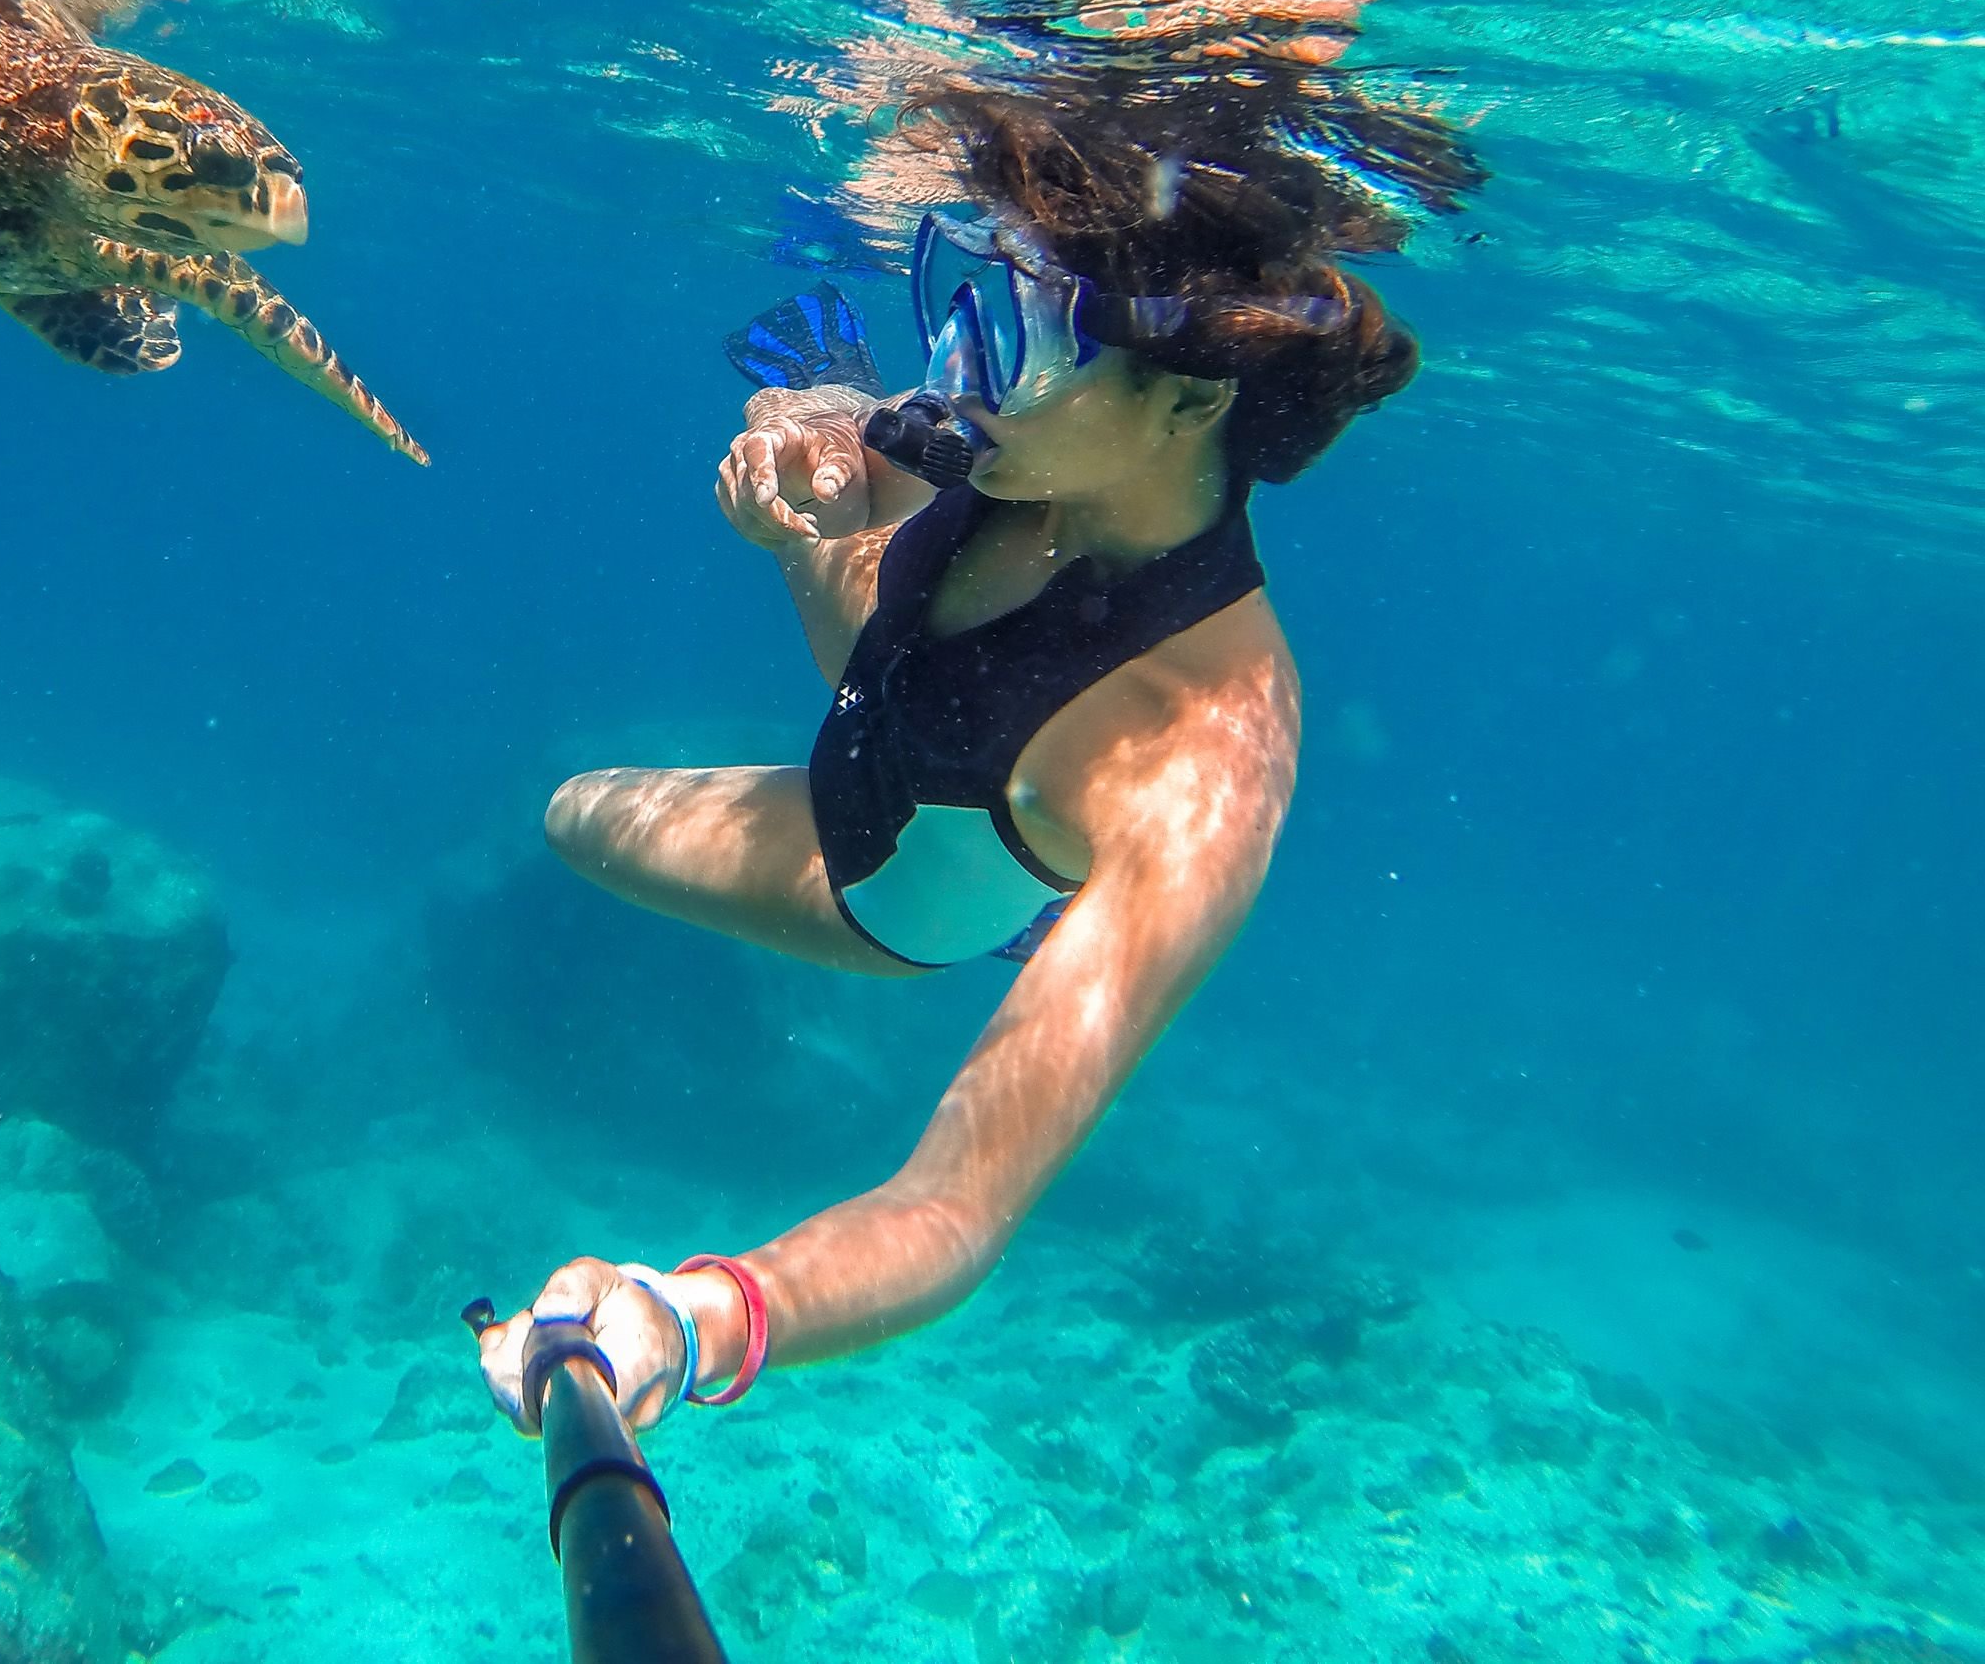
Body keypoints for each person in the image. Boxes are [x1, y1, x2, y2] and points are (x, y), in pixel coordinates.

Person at [476, 73, 1428, 1433]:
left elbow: (955, 1208)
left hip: (888, 878)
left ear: (1185, 403)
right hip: (891, 704)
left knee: (581, 816)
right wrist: (796, 447)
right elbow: (823, 443)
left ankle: (1024, 918)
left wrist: (692, 1319)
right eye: (962, 289)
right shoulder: (1016, 443)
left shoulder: (1192, 752)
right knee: (618, 749)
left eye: (1018, 330)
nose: (958, 365)